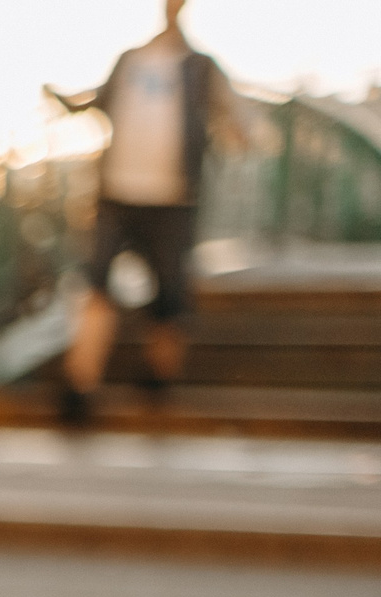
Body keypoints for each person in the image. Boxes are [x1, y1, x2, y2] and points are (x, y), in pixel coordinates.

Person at [45, 0, 266, 422]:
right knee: (96, 283)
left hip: (174, 198)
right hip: (116, 193)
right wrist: (57, 97)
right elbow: (94, 102)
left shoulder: (201, 66)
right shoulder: (129, 59)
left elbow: (236, 116)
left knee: (168, 292)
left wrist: (242, 132)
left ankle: (158, 379)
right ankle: (79, 385)